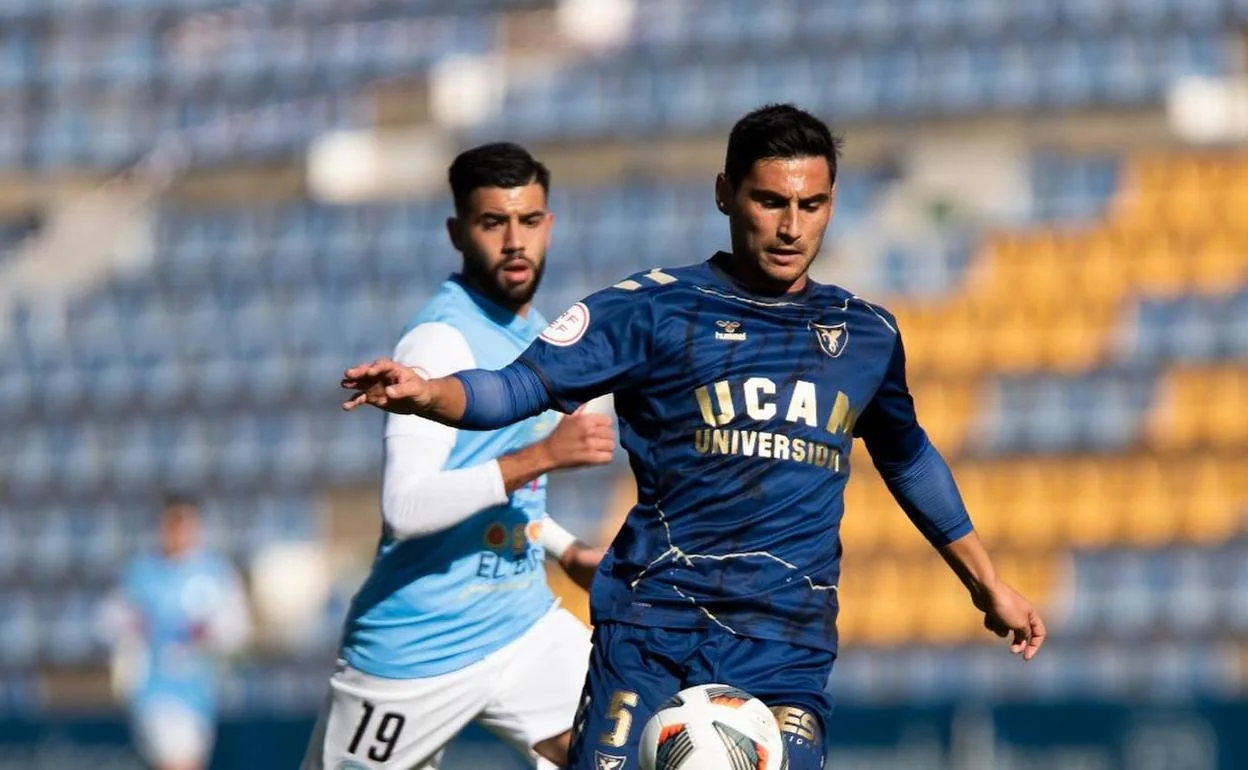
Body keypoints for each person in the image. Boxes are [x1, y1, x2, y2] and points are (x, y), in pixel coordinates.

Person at [339, 105, 1048, 770]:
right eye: (771, 202)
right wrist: (431, 393)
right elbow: (518, 386)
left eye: (812, 205)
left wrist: (987, 584)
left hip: (785, 644)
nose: (792, 228)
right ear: (725, 194)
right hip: (652, 633)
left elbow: (907, 456)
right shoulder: (652, 310)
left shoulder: (866, 334)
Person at [303, 142, 614, 770]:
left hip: (521, 623)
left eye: (528, 220)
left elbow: (508, 490)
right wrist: (547, 455)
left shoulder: (538, 333)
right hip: (415, 649)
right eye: (492, 222)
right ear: (457, 231)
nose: (514, 242)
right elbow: (406, 506)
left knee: (625, 747)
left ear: (549, 224)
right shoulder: (440, 340)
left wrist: (564, 549)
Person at [98, 495, 251, 770]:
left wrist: (210, 633)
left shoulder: (215, 573)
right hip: (155, 689)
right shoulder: (142, 572)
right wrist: (132, 624)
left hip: (202, 690)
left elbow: (236, 630)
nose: (178, 531)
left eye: (184, 523)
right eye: (172, 523)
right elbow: (109, 621)